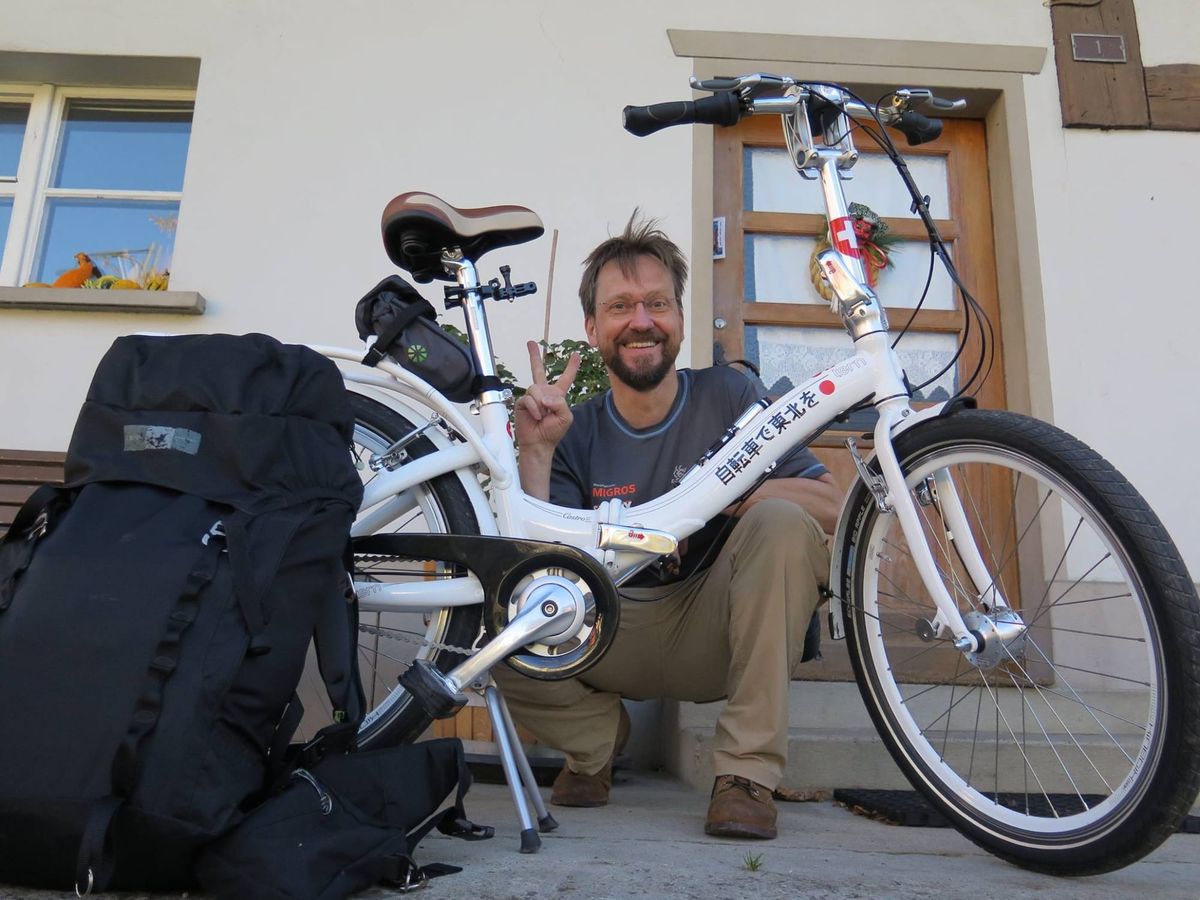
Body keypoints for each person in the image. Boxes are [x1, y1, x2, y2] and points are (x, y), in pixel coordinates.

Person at [494, 213, 841, 840]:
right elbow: (539, 567)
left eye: (658, 302)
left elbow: (829, 505)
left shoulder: (731, 396)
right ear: (593, 328)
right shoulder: (577, 431)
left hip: (711, 625)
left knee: (784, 520)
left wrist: (730, 494)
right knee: (485, 613)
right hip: (609, 631)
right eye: (620, 306)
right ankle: (598, 745)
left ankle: (745, 776)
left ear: (679, 317)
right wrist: (537, 452)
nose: (642, 320)